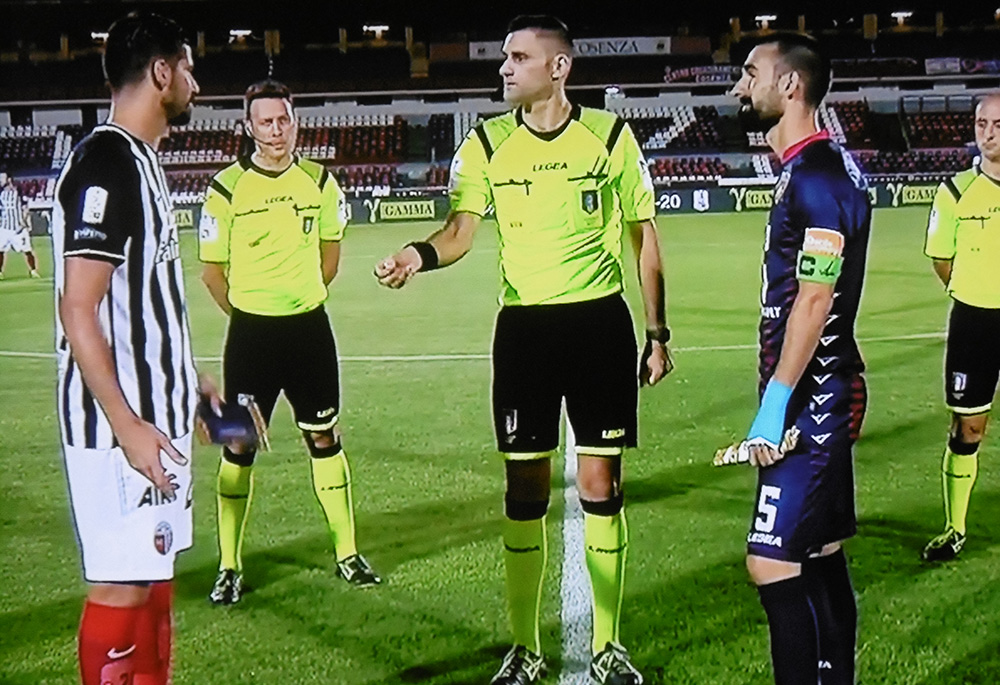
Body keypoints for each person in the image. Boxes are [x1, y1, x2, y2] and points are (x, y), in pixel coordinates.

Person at [376, 15, 671, 685]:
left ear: (558, 68)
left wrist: (658, 334)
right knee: (524, 488)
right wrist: (417, 255)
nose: (505, 69)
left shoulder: (612, 137)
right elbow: (459, 231)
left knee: (602, 486)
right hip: (525, 334)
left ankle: (608, 645)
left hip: (599, 326)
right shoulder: (485, 144)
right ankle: (525, 646)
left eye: (519, 57)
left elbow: (644, 238)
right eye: (504, 58)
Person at [53, 12, 206, 684]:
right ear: (161, 72)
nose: (195, 82)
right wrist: (126, 426)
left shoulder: (142, 161)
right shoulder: (106, 162)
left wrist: (191, 383)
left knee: (152, 573)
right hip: (118, 432)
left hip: (156, 421)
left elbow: (142, 303)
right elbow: (79, 308)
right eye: (188, 67)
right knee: (121, 586)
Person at [199, 78, 380, 606]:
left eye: (283, 120)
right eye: (266, 122)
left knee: (324, 436)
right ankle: (229, 566)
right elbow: (212, 273)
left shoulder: (320, 183)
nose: (276, 130)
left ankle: (348, 553)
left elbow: (330, 257)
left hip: (308, 332)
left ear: (294, 122)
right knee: (238, 443)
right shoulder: (225, 189)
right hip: (250, 338)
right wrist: (252, 313)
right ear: (248, 127)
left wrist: (296, 300)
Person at [729, 33, 871, 685]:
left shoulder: (819, 177)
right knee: (818, 551)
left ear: (790, 85)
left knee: (771, 561)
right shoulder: (808, 170)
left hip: (813, 399)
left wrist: (777, 402)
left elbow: (815, 299)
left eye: (750, 73)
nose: (739, 86)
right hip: (821, 391)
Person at [922, 93, 1000, 562]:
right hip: (974, 322)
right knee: (968, 427)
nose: (988, 133)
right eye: (982, 123)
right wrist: (976, 292)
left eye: (999, 124)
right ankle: (955, 529)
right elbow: (942, 259)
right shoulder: (954, 192)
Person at [0, 171, 40, 278]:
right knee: (0, 250)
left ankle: (33, 270)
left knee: (27, 250)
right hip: (4, 228)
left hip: (18, 228)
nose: (0, 180)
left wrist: (24, 220)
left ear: (9, 180)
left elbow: (26, 207)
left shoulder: (18, 192)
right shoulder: (1, 193)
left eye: (2, 178)